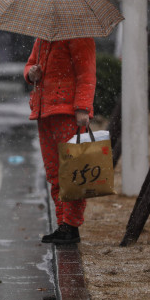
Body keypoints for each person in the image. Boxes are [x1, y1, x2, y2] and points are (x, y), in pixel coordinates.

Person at [24, 37, 96, 245]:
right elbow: (29, 64)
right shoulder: (43, 38)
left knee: (72, 172)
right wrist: (30, 73)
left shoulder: (80, 36)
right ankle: (62, 223)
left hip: (67, 113)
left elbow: (86, 73)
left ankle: (71, 225)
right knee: (54, 173)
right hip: (44, 113)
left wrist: (83, 107)